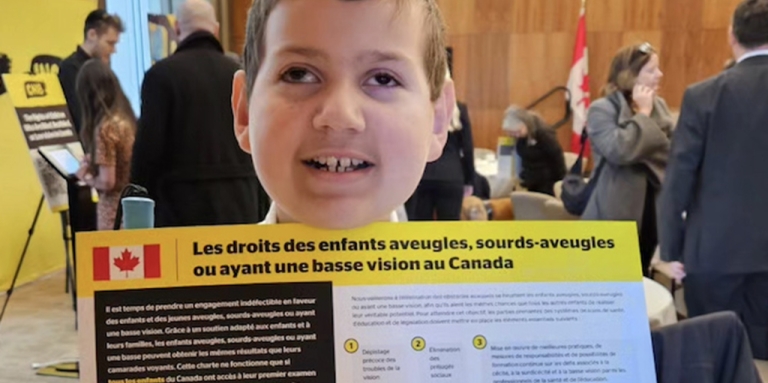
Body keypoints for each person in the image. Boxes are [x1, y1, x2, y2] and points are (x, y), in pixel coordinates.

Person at [231, 0, 455, 229]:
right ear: (245, 113)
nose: (340, 116)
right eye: (298, 74)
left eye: (383, 79)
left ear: (437, 121)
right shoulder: (196, 265)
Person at [659, 0, 768, 360]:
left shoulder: (703, 96)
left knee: (712, 358)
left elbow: (678, 180)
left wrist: (671, 250)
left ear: (732, 36)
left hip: (713, 253)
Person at [131, 0, 265, 227]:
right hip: (243, 201)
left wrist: (138, 208)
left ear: (176, 30)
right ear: (216, 29)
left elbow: (148, 151)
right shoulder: (241, 73)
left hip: (181, 209)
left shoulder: (160, 75)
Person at [582, 42, 675, 276]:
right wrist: (643, 115)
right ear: (631, 75)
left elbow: (673, 152)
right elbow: (620, 151)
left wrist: (639, 146)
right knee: (612, 281)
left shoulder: (660, 106)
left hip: (653, 207)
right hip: (613, 209)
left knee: (642, 277)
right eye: (651, 70)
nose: (660, 75)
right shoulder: (601, 109)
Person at [75, 59, 136, 230]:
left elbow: (107, 182)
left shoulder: (105, 128)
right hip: (132, 209)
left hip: (112, 214)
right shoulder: (126, 119)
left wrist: (87, 178)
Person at [406, 97, 474, 221]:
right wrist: (469, 179)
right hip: (451, 175)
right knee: (451, 229)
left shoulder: (419, 105)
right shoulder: (459, 108)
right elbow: (467, 148)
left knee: (420, 229)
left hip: (422, 174)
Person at [59, 10, 124, 133]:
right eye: (110, 43)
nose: (114, 50)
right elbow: (82, 117)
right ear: (92, 35)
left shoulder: (103, 70)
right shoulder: (71, 68)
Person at [502, 106, 566, 196]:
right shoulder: (520, 138)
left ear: (525, 124)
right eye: (512, 133)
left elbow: (557, 157)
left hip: (547, 182)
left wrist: (560, 182)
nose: (516, 135)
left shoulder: (544, 134)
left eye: (518, 131)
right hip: (531, 181)